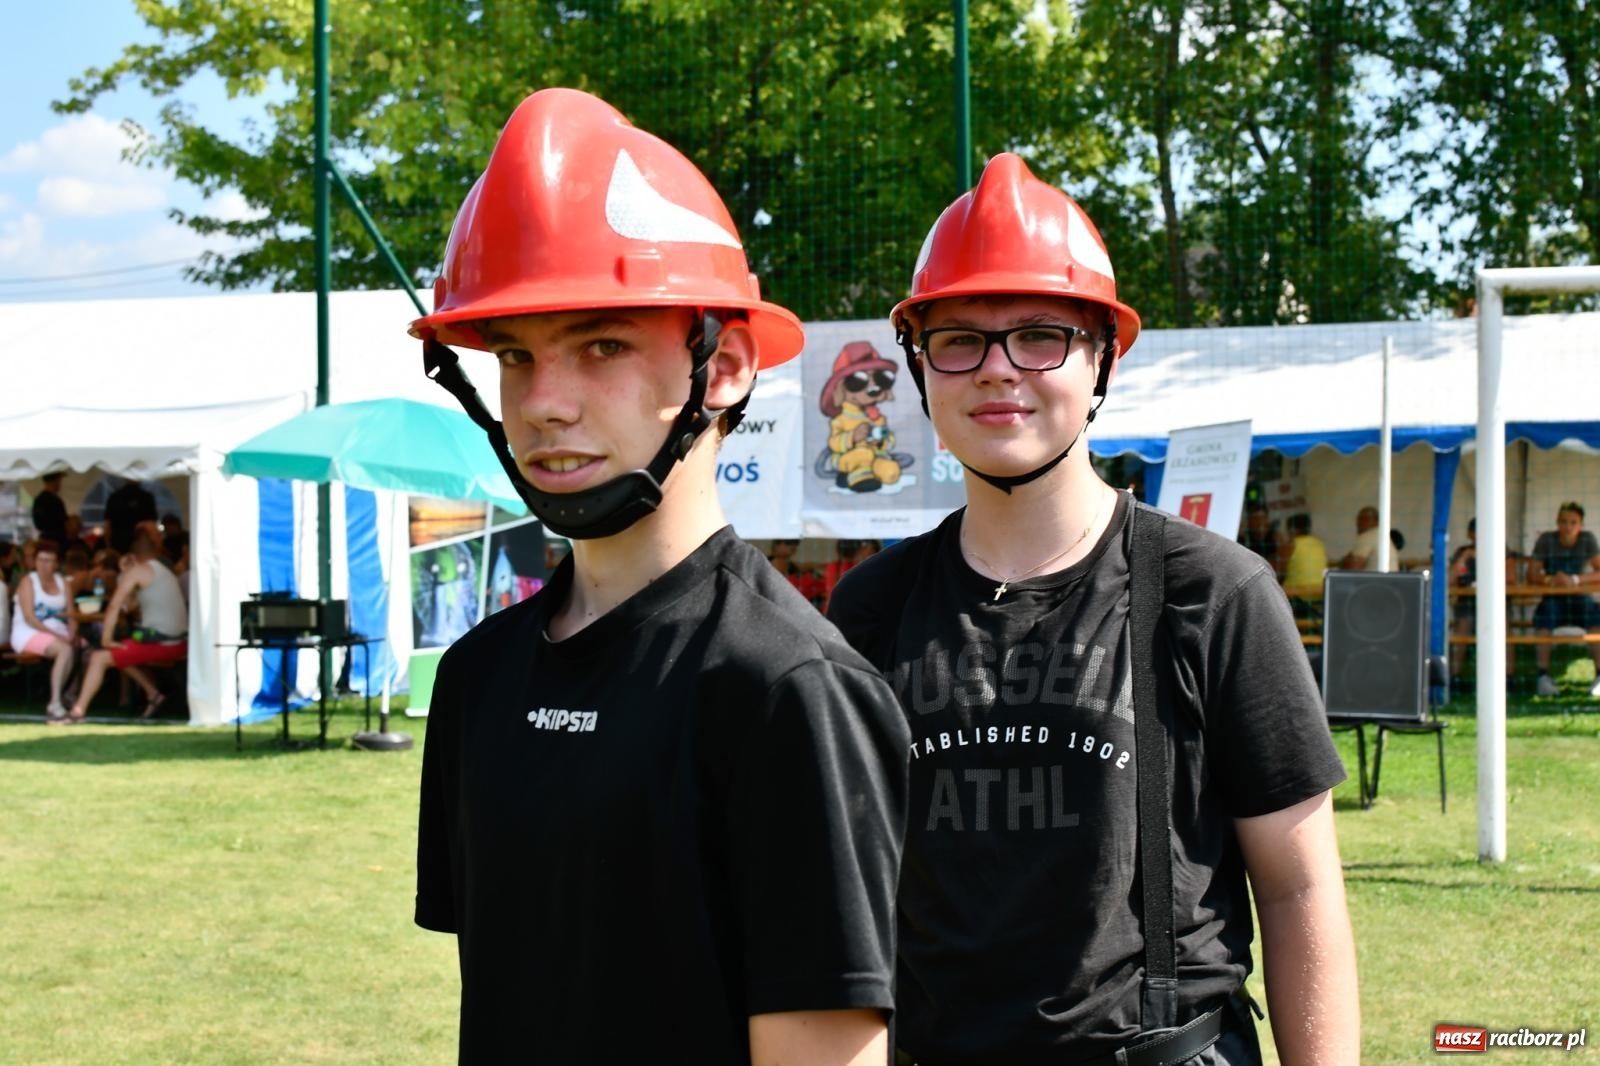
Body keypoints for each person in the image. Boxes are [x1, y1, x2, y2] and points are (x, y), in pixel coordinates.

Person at [409, 88, 908, 1065]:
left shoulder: (786, 689)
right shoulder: (475, 680)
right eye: (514, 355)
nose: (543, 404)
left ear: (722, 368)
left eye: (600, 345)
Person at [827, 153, 1358, 1065]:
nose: (998, 371)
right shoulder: (871, 609)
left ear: (1104, 356)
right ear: (919, 365)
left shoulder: (1214, 592)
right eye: (958, 338)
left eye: (1039, 335)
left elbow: (1300, 889)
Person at [60, 527, 188, 724]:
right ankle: (153, 694)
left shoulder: (139, 571)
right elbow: (130, 605)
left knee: (99, 657)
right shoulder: (163, 571)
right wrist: (124, 574)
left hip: (162, 643)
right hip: (178, 641)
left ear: (132, 555)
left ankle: (78, 711)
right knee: (120, 650)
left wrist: (106, 639)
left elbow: (114, 606)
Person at [1524, 501, 1600, 698]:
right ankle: (1543, 678)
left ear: (1581, 525)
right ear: (1557, 522)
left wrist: (1575, 579)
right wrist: (1551, 579)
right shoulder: (1547, 540)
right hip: (1553, 597)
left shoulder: (1587, 539)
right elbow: (1531, 573)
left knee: (1596, 619)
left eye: (1573, 522)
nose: (1568, 527)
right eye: (1564, 522)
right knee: (1543, 620)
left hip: (1579, 596)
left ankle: (1599, 677)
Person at [8, 539, 79, 719]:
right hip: (27, 631)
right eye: (40, 560)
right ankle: (55, 702)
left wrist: (72, 632)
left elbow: (71, 613)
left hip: (56, 630)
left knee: (87, 648)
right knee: (64, 649)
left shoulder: (63, 583)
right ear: (34, 561)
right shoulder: (28, 582)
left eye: (48, 560)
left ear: (56, 563)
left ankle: (70, 692)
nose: (44, 565)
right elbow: (30, 618)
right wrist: (59, 637)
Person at [103, 477, 157, 554]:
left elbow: (107, 525)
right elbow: (151, 525)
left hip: (118, 541)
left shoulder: (115, 497)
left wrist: (108, 545)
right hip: (140, 542)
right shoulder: (146, 497)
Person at [1237, 501, 1279, 575]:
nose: (1259, 523)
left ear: (1267, 520)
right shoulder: (1244, 539)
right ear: (1250, 521)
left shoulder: (1276, 538)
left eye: (1262, 518)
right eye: (1256, 519)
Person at [1337, 505, 1380, 570]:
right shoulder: (1382, 535)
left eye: (1366, 519)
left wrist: (1344, 562)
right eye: (1360, 519)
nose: (1360, 523)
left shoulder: (1367, 536)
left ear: (1377, 522)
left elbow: (1353, 567)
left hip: (1375, 580)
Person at [32, 471, 69, 546]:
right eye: (59, 480)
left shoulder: (39, 500)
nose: (60, 484)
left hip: (46, 539)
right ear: (55, 481)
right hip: (55, 541)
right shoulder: (54, 501)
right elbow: (63, 521)